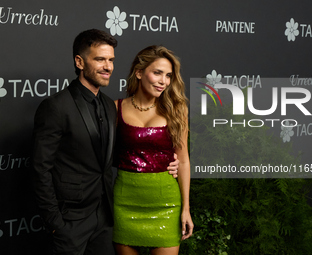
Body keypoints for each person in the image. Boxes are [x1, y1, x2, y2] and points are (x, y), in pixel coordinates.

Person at [31, 29, 179, 255]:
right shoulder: (56, 106)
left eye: (111, 60)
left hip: (105, 219)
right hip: (70, 221)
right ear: (79, 62)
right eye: (99, 59)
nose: (108, 67)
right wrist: (55, 223)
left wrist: (167, 161)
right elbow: (40, 168)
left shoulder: (110, 106)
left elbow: (118, 154)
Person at [113, 45, 194, 255]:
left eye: (168, 75)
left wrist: (186, 209)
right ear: (139, 73)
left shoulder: (177, 110)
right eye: (157, 73)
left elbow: (183, 160)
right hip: (125, 202)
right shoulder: (115, 108)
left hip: (166, 203)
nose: (163, 81)